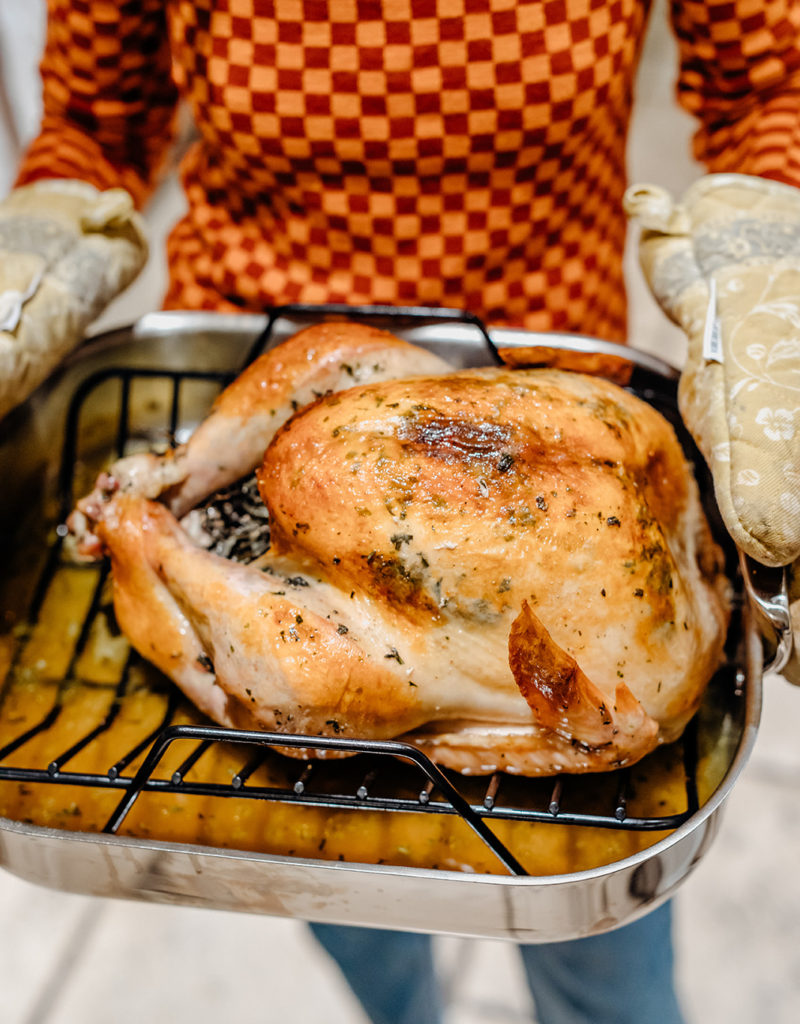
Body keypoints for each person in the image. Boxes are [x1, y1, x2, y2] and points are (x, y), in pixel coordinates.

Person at [8, 2, 800, 1022]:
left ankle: (148, 521)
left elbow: (765, 85)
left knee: (606, 966)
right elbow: (95, 117)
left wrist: (763, 251)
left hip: (556, 383)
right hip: (261, 361)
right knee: (362, 913)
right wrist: (48, 229)